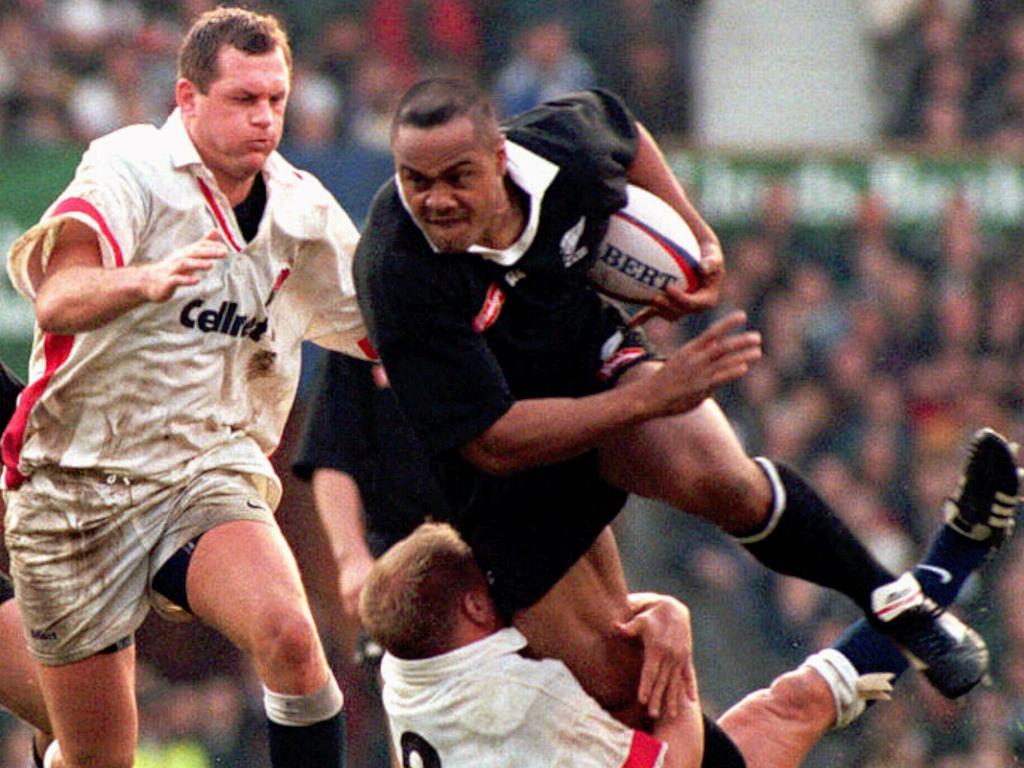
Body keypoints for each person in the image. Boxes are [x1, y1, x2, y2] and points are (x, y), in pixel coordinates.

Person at [351, 78, 990, 723]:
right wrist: (652, 396)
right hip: (506, 482)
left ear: (499, 158)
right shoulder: (395, 267)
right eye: (415, 180)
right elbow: (494, 441)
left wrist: (700, 239)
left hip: (594, 367)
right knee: (629, 692)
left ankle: (898, 606)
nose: (435, 200)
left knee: (726, 480)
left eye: (456, 177)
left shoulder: (560, 148)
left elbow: (624, 131)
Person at [1, 8, 371, 768]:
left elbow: (386, 326)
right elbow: (57, 300)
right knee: (101, 754)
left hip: (204, 473)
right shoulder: (129, 166)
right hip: (75, 487)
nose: (265, 118)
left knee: (294, 643)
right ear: (188, 98)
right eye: (243, 99)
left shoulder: (303, 209)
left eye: (276, 99)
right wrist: (144, 281)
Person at [359, 428, 1021, 767]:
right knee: (793, 709)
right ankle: (959, 552)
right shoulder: (515, 705)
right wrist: (682, 657)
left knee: (794, 704)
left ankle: (957, 550)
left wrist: (662, 613)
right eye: (490, 582)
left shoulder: (411, 658)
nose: (505, 582)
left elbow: (596, 625)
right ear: (476, 607)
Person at [293, 353, 449, 625]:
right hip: (397, 565)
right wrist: (352, 560)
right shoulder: (355, 332)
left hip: (507, 559)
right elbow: (331, 454)